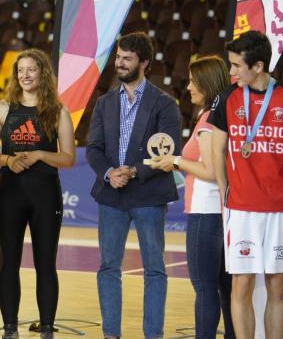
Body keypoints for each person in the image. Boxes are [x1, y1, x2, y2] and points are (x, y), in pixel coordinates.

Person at [208, 30, 283, 339]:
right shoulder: (227, 97)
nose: (232, 72)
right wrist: (227, 192)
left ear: (259, 66)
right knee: (242, 283)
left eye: (237, 65)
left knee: (277, 283)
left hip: (279, 208)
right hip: (241, 208)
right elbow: (217, 149)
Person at [86, 31, 181, 339]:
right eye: (118, 57)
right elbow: (93, 148)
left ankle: (153, 334)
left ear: (145, 63)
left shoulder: (165, 104)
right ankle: (110, 334)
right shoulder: (103, 103)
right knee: (108, 268)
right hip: (111, 194)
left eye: (127, 58)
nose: (120, 63)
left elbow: (168, 149)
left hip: (149, 196)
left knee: (154, 268)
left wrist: (135, 171)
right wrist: (110, 173)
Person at [0, 48, 75, 339]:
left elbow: (69, 158)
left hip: (45, 196)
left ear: (43, 73)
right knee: (8, 262)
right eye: (20, 70)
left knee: (45, 263)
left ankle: (47, 327)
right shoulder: (1, 109)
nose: (25, 75)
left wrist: (39, 154)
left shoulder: (58, 111)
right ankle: (10, 328)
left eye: (31, 69)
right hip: (10, 195)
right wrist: (8, 160)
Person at [149, 55, 235, 338]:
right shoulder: (221, 115)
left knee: (205, 287)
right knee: (224, 287)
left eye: (193, 81)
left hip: (206, 214)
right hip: (221, 212)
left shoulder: (210, 119)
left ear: (206, 84)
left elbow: (211, 171)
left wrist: (175, 161)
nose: (187, 87)